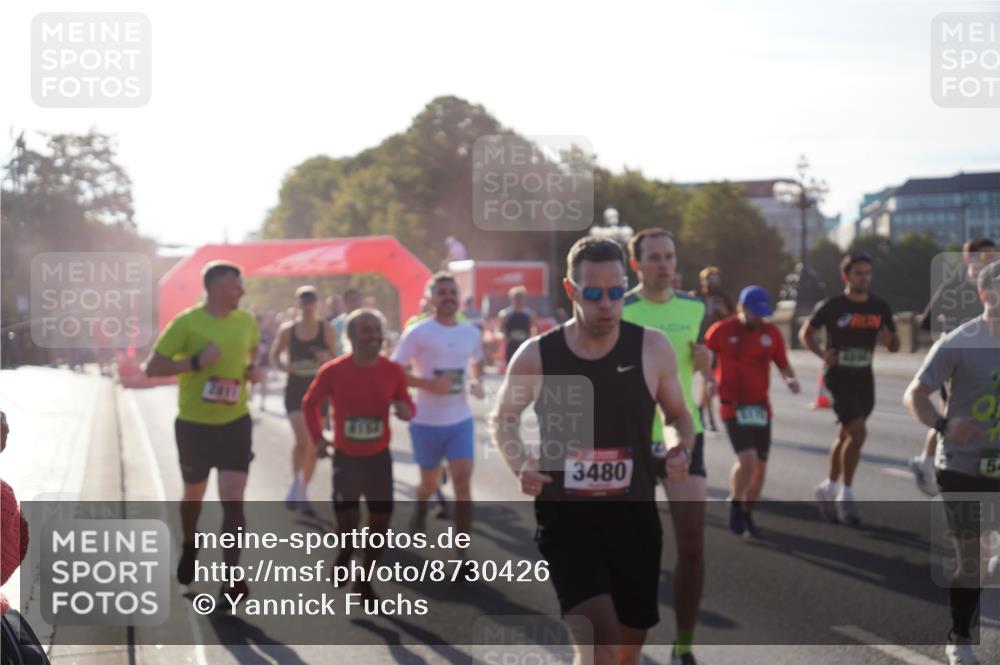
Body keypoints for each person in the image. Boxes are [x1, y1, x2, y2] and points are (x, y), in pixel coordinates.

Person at [490, 236, 694, 665]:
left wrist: (679, 450)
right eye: (594, 294)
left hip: (634, 516)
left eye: (616, 292)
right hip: (568, 520)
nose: (607, 304)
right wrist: (519, 463)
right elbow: (504, 418)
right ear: (571, 290)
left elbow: (678, 416)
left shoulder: (652, 348)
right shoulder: (537, 355)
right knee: (600, 640)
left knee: (628, 647)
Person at [143, 261, 262, 605]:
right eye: (235, 286)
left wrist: (251, 371)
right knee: (193, 496)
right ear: (215, 289)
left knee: (233, 497)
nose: (241, 291)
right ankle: (190, 542)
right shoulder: (187, 323)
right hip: (195, 425)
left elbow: (251, 353)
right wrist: (195, 362)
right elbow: (152, 367)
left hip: (235, 422)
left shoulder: (246, 321)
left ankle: (230, 579)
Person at [903, 259, 1000, 665]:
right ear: (985, 293)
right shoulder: (959, 342)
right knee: (971, 564)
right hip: (962, 466)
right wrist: (944, 424)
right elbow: (914, 395)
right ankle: (960, 639)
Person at [621, 228, 712, 665]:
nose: (664, 264)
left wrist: (708, 362)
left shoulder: (695, 307)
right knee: (632, 548)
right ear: (636, 264)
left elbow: (701, 360)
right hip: (632, 440)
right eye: (654, 257)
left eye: (669, 256)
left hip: (683, 434)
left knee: (692, 544)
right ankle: (627, 644)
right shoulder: (620, 308)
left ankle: (684, 645)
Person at [303, 309, 415, 601]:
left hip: (378, 457)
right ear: (351, 336)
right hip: (346, 457)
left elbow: (407, 403)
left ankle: (363, 580)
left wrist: (406, 410)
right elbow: (310, 404)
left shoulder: (392, 370)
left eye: (377, 330)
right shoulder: (333, 371)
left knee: (380, 522)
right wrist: (318, 440)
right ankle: (345, 550)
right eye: (366, 330)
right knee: (348, 522)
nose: (374, 336)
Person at [800, 253, 900, 525]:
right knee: (858, 433)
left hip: (864, 379)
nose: (864, 278)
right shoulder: (833, 305)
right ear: (846, 276)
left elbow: (895, 344)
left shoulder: (880, 307)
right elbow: (805, 333)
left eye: (867, 273)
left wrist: (890, 342)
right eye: (858, 273)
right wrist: (823, 354)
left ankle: (827, 488)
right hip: (838, 378)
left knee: (845, 435)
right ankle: (846, 494)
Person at [391, 272, 485, 548]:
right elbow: (394, 372)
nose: (448, 298)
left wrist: (476, 381)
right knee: (429, 484)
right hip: (426, 421)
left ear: (459, 298)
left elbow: (477, 360)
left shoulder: (470, 332)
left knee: (462, 484)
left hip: (460, 420)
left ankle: (463, 554)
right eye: (442, 293)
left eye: (452, 293)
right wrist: (428, 384)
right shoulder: (418, 333)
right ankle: (421, 506)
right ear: (430, 299)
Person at [705, 286, 800, 538]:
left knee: (760, 467)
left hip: (760, 407)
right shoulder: (721, 330)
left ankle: (747, 513)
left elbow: (783, 363)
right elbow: (705, 358)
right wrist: (709, 379)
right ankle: (736, 502)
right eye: (754, 312)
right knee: (747, 459)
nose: (759, 317)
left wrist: (790, 379)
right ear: (742, 308)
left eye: (762, 313)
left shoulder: (771, 333)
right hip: (732, 406)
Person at [910, 238, 998, 496]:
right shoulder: (954, 289)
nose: (990, 260)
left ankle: (927, 460)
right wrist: (944, 425)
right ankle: (931, 460)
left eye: (993, 256)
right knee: (952, 413)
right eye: (984, 257)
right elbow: (926, 323)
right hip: (961, 365)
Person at [268, 286, 337, 516]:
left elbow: (336, 358)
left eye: (310, 301)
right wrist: (283, 366)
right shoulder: (288, 330)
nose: (307, 306)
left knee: (313, 443)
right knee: (302, 439)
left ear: (316, 304)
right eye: (303, 301)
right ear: (297, 304)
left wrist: (326, 358)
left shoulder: (325, 329)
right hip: (296, 390)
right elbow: (274, 355)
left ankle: (301, 489)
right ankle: (296, 484)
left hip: (319, 391)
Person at [692, 267, 734, 431]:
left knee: (708, 380)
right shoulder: (695, 297)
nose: (712, 281)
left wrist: (723, 311)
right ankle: (697, 411)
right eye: (709, 278)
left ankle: (706, 415)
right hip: (694, 342)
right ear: (702, 280)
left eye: (715, 278)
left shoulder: (723, 298)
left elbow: (733, 318)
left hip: (714, 344)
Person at [497, 286, 539, 369]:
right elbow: (499, 331)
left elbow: (536, 330)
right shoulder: (505, 314)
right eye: (515, 297)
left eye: (520, 297)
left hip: (525, 347)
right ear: (511, 298)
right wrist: (503, 336)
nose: (518, 300)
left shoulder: (530, 314)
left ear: (524, 298)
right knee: (512, 370)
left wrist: (533, 341)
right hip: (511, 348)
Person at [331, 289, 363, 355]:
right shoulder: (336, 324)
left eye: (358, 300)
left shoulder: (370, 322)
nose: (356, 303)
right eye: (353, 300)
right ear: (345, 303)